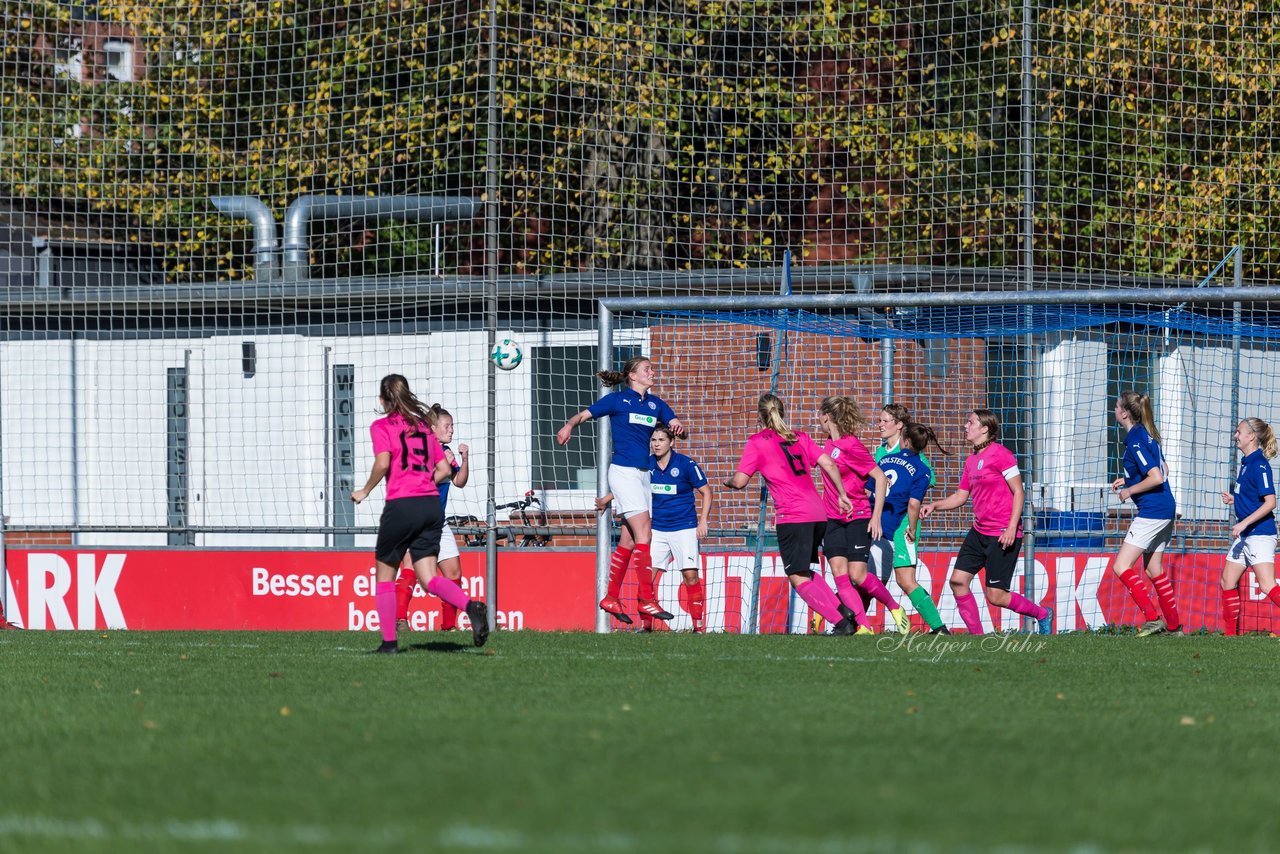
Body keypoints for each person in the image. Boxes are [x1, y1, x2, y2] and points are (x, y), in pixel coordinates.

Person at [352, 375, 488, 653]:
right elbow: (444, 471)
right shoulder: (424, 430)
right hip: (430, 507)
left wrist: (365, 490)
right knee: (428, 577)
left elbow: (382, 461)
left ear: (383, 400)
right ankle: (469, 606)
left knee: (385, 575)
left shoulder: (382, 426)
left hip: (403, 504)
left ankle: (389, 642)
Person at [558, 356, 685, 625]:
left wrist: (677, 426)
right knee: (645, 533)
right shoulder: (617, 400)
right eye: (646, 369)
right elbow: (584, 414)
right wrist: (569, 425)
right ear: (632, 376)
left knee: (628, 541)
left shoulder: (655, 404)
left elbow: (675, 423)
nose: (652, 372)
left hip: (643, 476)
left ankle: (611, 597)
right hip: (623, 472)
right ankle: (646, 599)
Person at [724, 394, 858, 635]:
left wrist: (729, 482)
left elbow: (741, 481)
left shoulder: (757, 441)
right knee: (804, 571)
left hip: (793, 515)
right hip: (818, 513)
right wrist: (842, 494)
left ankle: (841, 623)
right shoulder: (800, 436)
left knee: (797, 577)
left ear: (760, 416)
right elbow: (829, 464)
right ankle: (843, 609)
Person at [921, 409, 1053, 635]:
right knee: (957, 581)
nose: (965, 426)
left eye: (970, 422)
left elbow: (1019, 492)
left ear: (985, 429)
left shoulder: (1001, 455)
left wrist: (1012, 527)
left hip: (1002, 533)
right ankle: (977, 637)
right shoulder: (971, 460)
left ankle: (1042, 614)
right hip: (979, 532)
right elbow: (961, 497)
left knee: (995, 595)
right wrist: (934, 506)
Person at [597, 424, 713, 631]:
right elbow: (630, 487)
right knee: (646, 578)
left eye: (661, 440)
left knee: (690, 576)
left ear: (671, 442)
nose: (656, 444)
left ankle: (699, 627)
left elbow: (706, 491)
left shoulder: (686, 464)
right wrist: (607, 498)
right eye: (653, 440)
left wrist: (703, 521)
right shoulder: (646, 465)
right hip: (656, 529)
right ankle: (646, 626)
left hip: (684, 527)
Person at [814, 395, 899, 635]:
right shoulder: (828, 444)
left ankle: (894, 607)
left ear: (827, 417)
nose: (818, 420)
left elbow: (880, 478)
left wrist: (876, 517)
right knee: (840, 575)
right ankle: (864, 628)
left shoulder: (852, 445)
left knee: (857, 575)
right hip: (833, 519)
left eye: (819, 415)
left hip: (858, 516)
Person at [1109, 391, 1183, 636]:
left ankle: (1153, 619)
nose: (1115, 409)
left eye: (1117, 406)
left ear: (1125, 413)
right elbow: (1165, 468)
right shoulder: (1147, 435)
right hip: (1165, 508)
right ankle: (1174, 627)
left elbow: (1157, 476)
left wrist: (1130, 490)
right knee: (1153, 569)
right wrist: (1128, 478)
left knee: (1121, 566)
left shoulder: (1136, 440)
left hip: (1153, 510)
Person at [395, 404, 470, 632]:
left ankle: (448, 628)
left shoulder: (445, 451)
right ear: (433, 428)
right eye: (447, 426)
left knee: (454, 573)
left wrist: (464, 459)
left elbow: (459, 482)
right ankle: (399, 621)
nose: (451, 430)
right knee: (410, 566)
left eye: (453, 426)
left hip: (438, 521)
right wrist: (444, 467)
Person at [875, 421, 949, 633]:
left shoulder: (904, 460)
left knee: (904, 580)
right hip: (889, 522)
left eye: (885, 419)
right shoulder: (883, 453)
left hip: (901, 526)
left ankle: (938, 627)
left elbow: (925, 486)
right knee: (873, 577)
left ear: (903, 435)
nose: (880, 424)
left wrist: (912, 527)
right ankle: (852, 622)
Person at [1220, 418, 1280, 636]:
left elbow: (1270, 502)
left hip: (1260, 535)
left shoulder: (1259, 464)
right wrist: (1234, 500)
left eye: (1239, 432)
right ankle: (1229, 638)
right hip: (1245, 535)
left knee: (1267, 586)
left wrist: (1244, 522)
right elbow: (1252, 498)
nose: (1236, 436)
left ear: (1251, 437)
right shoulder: (1246, 464)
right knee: (1227, 581)